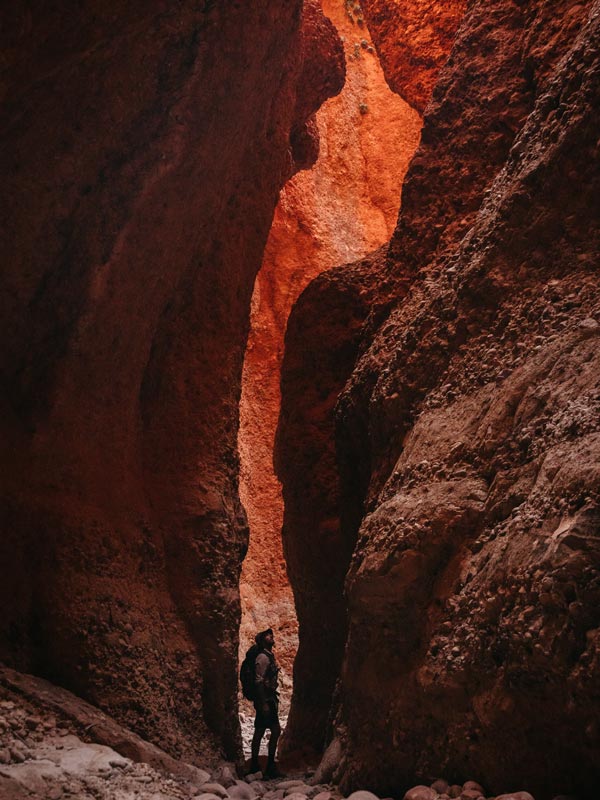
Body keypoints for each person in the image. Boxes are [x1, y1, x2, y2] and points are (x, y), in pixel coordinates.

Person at [249, 628, 284, 778]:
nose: (271, 636)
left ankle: (260, 765)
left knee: (263, 731)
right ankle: (263, 765)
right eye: (268, 635)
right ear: (262, 640)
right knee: (269, 731)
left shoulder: (269, 656)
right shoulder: (263, 657)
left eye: (271, 635)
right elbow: (258, 681)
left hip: (268, 700)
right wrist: (262, 702)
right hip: (266, 700)